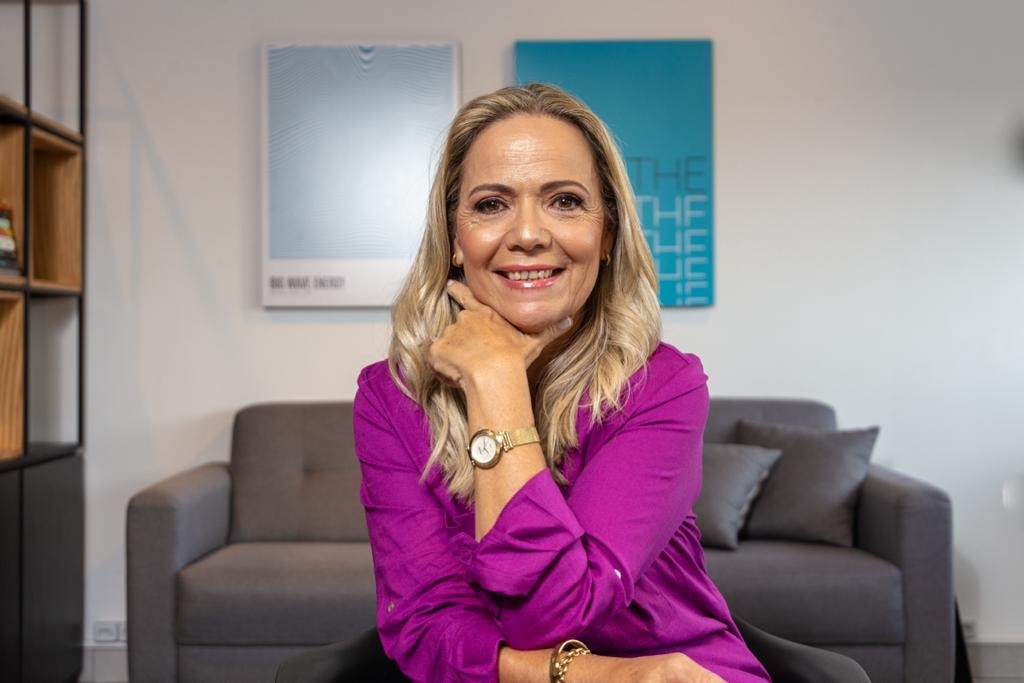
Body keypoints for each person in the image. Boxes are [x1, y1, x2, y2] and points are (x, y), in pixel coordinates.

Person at [353, 83, 770, 683]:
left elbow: (547, 613)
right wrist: (594, 675)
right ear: (454, 239)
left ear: (607, 235)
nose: (527, 234)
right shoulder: (390, 398)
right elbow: (422, 625)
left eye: (565, 201)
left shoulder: (661, 386)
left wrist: (494, 383)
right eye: (491, 204)